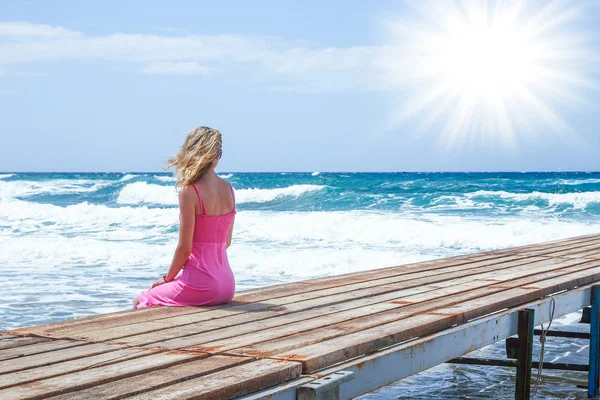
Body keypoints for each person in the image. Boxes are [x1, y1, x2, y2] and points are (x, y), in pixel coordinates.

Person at [134, 127, 236, 309]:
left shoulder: (190, 191)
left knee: (143, 298)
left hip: (203, 284)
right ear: (218, 156)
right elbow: (226, 242)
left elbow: (184, 248)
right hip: (227, 286)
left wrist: (167, 278)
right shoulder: (228, 189)